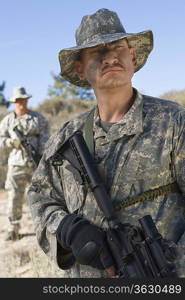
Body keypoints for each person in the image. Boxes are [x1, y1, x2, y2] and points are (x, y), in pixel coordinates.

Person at [28, 8, 185, 278]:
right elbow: (41, 199)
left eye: (118, 47)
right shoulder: (66, 137)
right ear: (80, 68)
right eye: (97, 52)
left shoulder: (173, 122)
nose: (110, 57)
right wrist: (67, 227)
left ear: (132, 57)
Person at [0, 86, 49, 241]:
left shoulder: (38, 118)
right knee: (14, 196)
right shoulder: (8, 121)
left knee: (40, 196)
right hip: (16, 164)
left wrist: (41, 155)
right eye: (19, 100)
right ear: (14, 102)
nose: (22, 103)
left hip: (36, 164)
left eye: (24, 100)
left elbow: (45, 137)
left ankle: (45, 228)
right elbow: (1, 139)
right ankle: (13, 229)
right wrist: (12, 142)